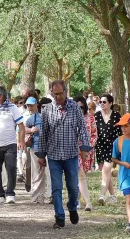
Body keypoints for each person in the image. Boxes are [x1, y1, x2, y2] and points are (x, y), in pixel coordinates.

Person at [36, 80, 92, 228]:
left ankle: (72, 206)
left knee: (73, 187)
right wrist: (41, 154)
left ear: (66, 92)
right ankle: (59, 217)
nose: (58, 97)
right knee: (56, 187)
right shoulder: (47, 109)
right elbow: (44, 134)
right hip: (53, 155)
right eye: (55, 94)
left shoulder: (75, 107)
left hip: (71, 154)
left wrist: (85, 148)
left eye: (60, 93)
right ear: (52, 93)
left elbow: (83, 129)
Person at [0, 86, 25, 204]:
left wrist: (21, 141)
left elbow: (21, 126)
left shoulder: (12, 107)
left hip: (10, 144)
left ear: (0, 96)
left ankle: (10, 193)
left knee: (11, 168)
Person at [95, 94, 121, 205]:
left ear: (110, 103)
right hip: (100, 146)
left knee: (106, 170)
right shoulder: (97, 115)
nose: (101, 103)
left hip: (113, 146)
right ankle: (113, 196)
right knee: (106, 172)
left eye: (104, 102)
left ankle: (102, 195)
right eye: (100, 101)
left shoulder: (116, 116)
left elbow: (120, 133)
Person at [74, 96, 97, 211]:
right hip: (74, 151)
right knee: (80, 175)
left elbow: (94, 134)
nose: (79, 108)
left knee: (82, 176)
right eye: (77, 106)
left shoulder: (91, 118)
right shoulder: (70, 118)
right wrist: (76, 148)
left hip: (87, 151)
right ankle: (87, 202)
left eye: (81, 107)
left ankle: (76, 199)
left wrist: (88, 147)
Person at [25, 96, 49, 203]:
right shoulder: (33, 118)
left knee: (46, 173)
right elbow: (22, 128)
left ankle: (45, 195)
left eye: (31, 105)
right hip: (35, 148)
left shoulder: (48, 117)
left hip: (48, 148)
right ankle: (36, 196)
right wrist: (30, 130)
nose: (29, 107)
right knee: (37, 172)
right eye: (28, 105)